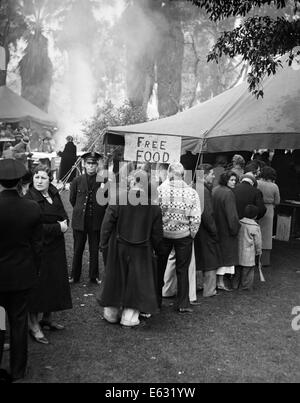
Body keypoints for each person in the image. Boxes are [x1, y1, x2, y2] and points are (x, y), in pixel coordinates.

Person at [99, 170, 163, 328]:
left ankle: (111, 314)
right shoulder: (154, 207)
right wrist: (157, 250)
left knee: (116, 279)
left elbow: (106, 225)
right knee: (137, 283)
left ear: (131, 181)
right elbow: (157, 235)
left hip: (118, 247)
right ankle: (129, 317)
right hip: (142, 250)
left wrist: (103, 244)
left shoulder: (118, 199)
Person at [0, 159, 42, 381]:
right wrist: (34, 270)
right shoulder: (32, 208)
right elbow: (37, 246)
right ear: (19, 181)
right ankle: (17, 371)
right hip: (21, 277)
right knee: (18, 324)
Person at [25, 164, 72, 344]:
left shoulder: (53, 193)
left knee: (54, 283)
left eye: (43, 177)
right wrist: (57, 227)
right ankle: (33, 324)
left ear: (49, 179)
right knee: (39, 288)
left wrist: (65, 222)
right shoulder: (29, 198)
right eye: (36, 177)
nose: (39, 181)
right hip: (39, 249)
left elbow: (63, 214)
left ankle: (47, 318)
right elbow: (32, 227)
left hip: (56, 248)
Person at [157, 163, 201, 314]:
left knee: (160, 268)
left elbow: (155, 214)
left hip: (164, 235)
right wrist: (192, 234)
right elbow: (196, 217)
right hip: (184, 236)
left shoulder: (160, 190)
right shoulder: (192, 193)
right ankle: (182, 303)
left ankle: (156, 301)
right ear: (183, 175)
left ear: (169, 174)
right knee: (183, 270)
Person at [69, 152, 108, 284]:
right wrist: (81, 211)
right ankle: (74, 275)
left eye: (94, 164)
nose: (91, 166)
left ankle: (94, 276)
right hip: (80, 220)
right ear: (84, 165)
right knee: (78, 248)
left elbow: (106, 201)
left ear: (97, 165)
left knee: (94, 249)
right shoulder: (77, 180)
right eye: (89, 163)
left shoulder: (103, 181)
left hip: (96, 220)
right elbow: (72, 199)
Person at [194, 164, 222, 297]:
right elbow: (207, 214)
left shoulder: (194, 186)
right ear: (204, 175)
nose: (214, 175)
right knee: (210, 260)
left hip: (196, 230)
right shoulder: (203, 190)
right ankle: (209, 290)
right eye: (211, 173)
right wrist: (214, 231)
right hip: (204, 231)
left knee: (198, 258)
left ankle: (198, 286)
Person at [212, 171, 241, 291]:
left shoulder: (215, 189)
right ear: (226, 180)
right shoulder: (228, 193)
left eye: (235, 180)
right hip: (226, 230)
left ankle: (216, 282)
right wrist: (235, 228)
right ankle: (220, 282)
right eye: (231, 180)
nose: (234, 182)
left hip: (216, 227)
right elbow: (232, 215)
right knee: (225, 258)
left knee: (217, 256)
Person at [232, 205, 262, 290]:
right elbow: (258, 242)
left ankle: (235, 285)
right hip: (248, 253)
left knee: (237, 270)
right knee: (247, 271)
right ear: (255, 216)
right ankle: (245, 286)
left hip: (238, 250)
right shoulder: (255, 227)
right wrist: (258, 251)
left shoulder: (239, 223)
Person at [257, 166, 280, 266]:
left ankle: (253, 258)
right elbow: (277, 201)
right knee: (266, 234)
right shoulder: (274, 186)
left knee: (255, 231)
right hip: (269, 209)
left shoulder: (257, 183)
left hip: (257, 207)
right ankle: (264, 261)